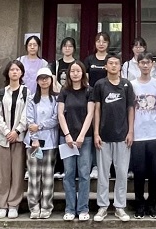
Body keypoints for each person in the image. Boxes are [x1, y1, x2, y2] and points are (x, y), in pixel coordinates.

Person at [92, 55, 135, 222]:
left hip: (122, 136)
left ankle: (120, 206)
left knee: (122, 173)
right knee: (103, 174)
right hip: (103, 136)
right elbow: (97, 110)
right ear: (106, 66)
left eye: (116, 63)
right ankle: (102, 206)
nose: (114, 66)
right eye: (110, 63)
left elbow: (131, 109)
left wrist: (130, 131)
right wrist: (96, 133)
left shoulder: (126, 85)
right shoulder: (100, 85)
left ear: (120, 66)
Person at [58, 60, 94, 221]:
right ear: (68, 74)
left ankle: (83, 208)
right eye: (72, 71)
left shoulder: (89, 91)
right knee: (69, 174)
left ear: (83, 73)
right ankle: (70, 209)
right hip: (66, 138)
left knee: (84, 173)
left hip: (85, 138)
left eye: (78, 71)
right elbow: (60, 114)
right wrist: (67, 135)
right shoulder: (64, 91)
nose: (75, 73)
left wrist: (81, 135)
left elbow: (90, 114)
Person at [0, 60, 28, 220]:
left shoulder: (26, 92)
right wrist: (7, 132)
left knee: (17, 173)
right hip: (2, 139)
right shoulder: (1, 93)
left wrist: (17, 131)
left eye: (17, 69)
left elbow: (27, 114)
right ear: (7, 73)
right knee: (2, 174)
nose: (14, 72)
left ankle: (13, 204)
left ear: (21, 73)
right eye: (12, 69)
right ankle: (2, 205)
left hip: (19, 139)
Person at [130, 53, 156, 220]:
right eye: (142, 62)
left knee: (154, 172)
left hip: (155, 133)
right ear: (138, 65)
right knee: (139, 172)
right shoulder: (132, 85)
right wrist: (130, 131)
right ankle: (139, 205)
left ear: (152, 65)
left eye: (147, 63)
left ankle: (152, 205)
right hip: (138, 134)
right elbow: (130, 109)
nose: (145, 65)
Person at [24, 67, 59, 219]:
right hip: (34, 144)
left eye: (46, 78)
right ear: (37, 81)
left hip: (50, 143)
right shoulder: (31, 99)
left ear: (51, 80)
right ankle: (34, 207)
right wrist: (34, 138)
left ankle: (46, 206)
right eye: (41, 78)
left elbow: (55, 119)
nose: (44, 81)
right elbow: (29, 120)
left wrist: (40, 126)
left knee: (48, 176)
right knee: (34, 175)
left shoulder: (56, 99)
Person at [84, 31, 111, 179]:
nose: (101, 44)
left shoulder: (111, 59)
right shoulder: (89, 60)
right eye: (98, 41)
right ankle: (95, 165)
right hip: (92, 99)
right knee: (94, 131)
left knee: (106, 131)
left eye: (104, 41)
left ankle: (107, 166)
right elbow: (85, 80)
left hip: (109, 99)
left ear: (108, 44)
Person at [51, 36, 77, 180]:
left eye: (70, 46)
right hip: (60, 99)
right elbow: (54, 82)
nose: (67, 48)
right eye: (65, 46)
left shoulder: (76, 64)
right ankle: (59, 167)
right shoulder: (56, 64)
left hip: (73, 100)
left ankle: (72, 170)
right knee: (60, 135)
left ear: (74, 49)